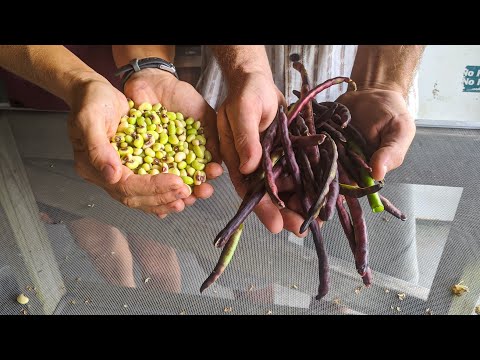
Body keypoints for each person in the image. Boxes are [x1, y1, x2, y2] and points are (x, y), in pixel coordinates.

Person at [0, 45, 424, 237]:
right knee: (242, 244)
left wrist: (384, 83)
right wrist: (246, 68)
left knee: (373, 269)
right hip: (231, 110)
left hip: (361, 114)